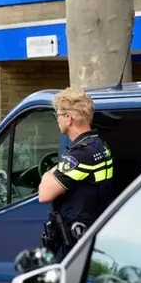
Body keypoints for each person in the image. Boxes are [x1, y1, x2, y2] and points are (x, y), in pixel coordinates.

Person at [38, 87, 114, 261]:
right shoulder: (99, 146)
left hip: (74, 244)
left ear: (68, 118)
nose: (57, 120)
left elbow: (44, 194)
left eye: (57, 115)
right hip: (89, 235)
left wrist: (48, 174)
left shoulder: (80, 154)